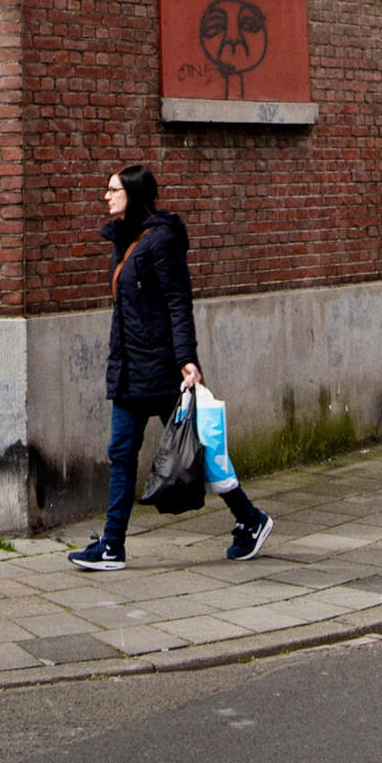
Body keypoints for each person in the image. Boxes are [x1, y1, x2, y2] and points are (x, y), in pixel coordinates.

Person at [70, 164, 271, 572]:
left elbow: (179, 302)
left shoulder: (161, 241)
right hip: (129, 368)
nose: (106, 197)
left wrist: (187, 360)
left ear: (134, 194)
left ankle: (250, 519)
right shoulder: (125, 240)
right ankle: (112, 545)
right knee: (122, 453)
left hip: (161, 369)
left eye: (113, 190)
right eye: (105, 190)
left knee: (200, 449)